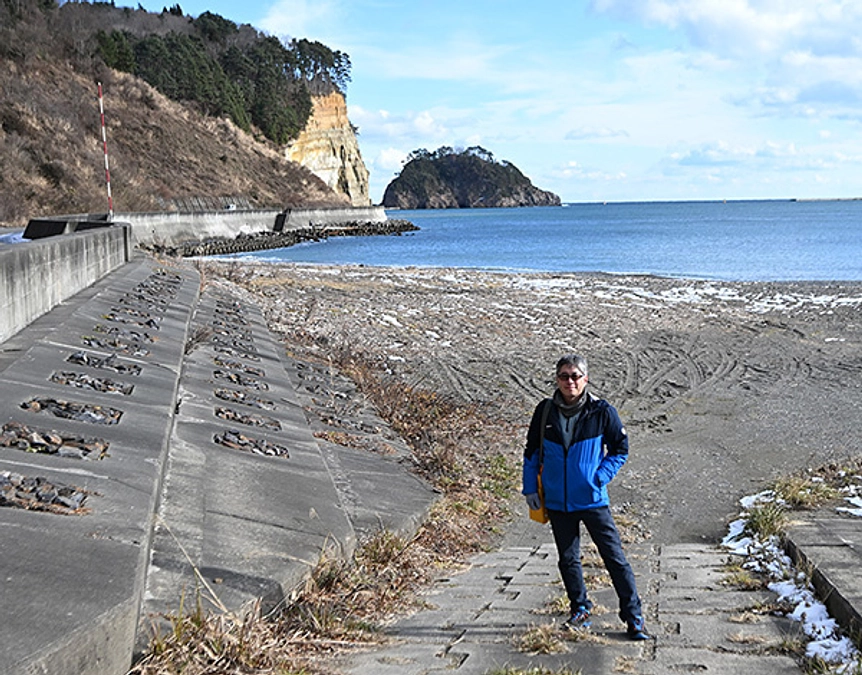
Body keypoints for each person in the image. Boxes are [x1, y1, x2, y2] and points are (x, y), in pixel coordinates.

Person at [522, 354, 651, 640]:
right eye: (564, 376)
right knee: (568, 560)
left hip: (593, 500)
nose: (570, 381)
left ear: (586, 379)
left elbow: (620, 449)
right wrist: (530, 488)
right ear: (557, 379)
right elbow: (531, 451)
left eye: (575, 376)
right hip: (558, 501)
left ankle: (634, 617)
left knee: (614, 558)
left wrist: (600, 477)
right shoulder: (544, 411)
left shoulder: (602, 411)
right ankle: (580, 609)